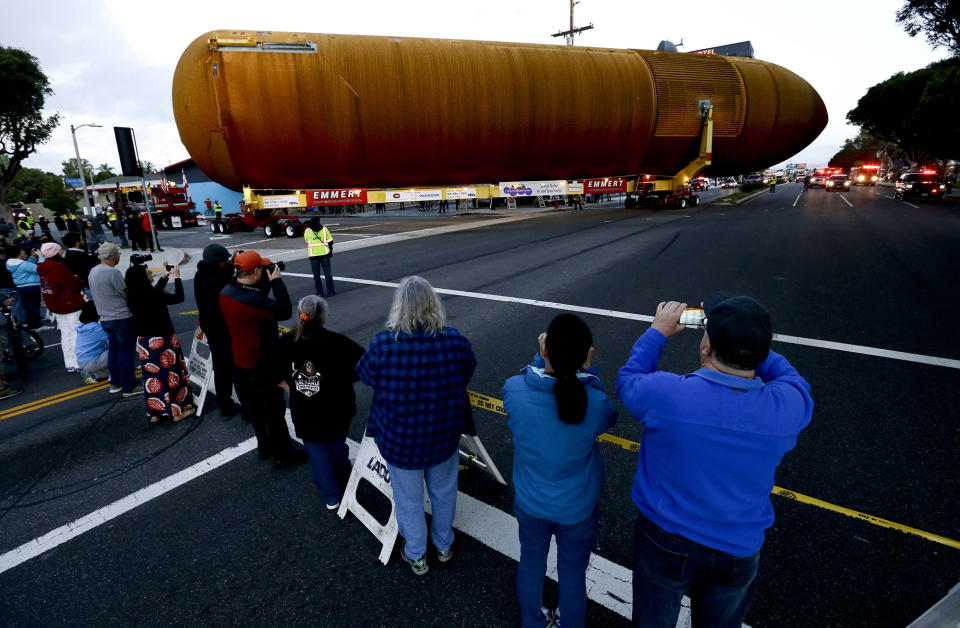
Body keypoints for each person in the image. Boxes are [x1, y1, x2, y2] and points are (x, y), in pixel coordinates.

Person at [616, 295, 814, 627]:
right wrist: (747, 342)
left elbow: (629, 377)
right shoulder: (788, 408)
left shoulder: (666, 395)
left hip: (665, 537)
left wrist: (658, 331)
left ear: (706, 346)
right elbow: (791, 378)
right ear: (763, 352)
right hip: (738, 547)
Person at [356, 276, 477, 576]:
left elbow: (365, 375)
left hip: (401, 440)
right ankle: (444, 544)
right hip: (443, 435)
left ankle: (417, 554)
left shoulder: (384, 343)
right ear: (433, 304)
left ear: (400, 306)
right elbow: (467, 371)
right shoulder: (454, 340)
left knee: (408, 500)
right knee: (444, 491)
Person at [504, 314, 616, 628]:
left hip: (531, 503)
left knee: (531, 563)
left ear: (545, 350)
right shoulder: (595, 402)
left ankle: (532, 621)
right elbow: (608, 415)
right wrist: (588, 372)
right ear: (587, 355)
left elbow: (530, 378)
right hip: (577, 508)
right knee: (572, 573)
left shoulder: (514, 391)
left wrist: (540, 357)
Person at [261, 295, 365, 509]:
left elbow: (264, 368)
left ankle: (330, 497)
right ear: (322, 318)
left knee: (317, 454)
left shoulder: (285, 342)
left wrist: (286, 385)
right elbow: (364, 363)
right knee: (337, 445)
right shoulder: (336, 342)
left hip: (304, 409)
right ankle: (344, 474)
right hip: (337, 407)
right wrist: (344, 379)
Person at [219, 250, 306, 468]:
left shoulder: (227, 291)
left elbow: (252, 293)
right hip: (261, 364)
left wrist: (264, 277)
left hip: (240, 361)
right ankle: (284, 456)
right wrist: (276, 282)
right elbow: (284, 310)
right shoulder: (253, 301)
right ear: (256, 270)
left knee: (256, 411)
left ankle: (265, 448)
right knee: (274, 412)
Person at [125, 262, 195, 423]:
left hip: (145, 341)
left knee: (152, 377)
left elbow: (153, 293)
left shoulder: (131, 293)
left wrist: (164, 277)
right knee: (172, 374)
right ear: (143, 279)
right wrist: (177, 278)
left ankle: (156, 412)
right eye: (148, 273)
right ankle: (178, 412)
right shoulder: (153, 295)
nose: (151, 274)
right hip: (163, 339)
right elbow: (178, 297)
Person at [88, 242, 142, 397]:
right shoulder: (113, 272)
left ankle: (116, 383)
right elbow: (126, 292)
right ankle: (129, 386)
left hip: (105, 318)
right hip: (121, 317)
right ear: (114, 256)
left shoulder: (93, 271)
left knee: (114, 352)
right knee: (126, 353)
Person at [194, 244, 239, 418]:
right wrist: (233, 264)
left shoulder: (201, 275)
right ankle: (237, 406)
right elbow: (227, 279)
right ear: (216, 262)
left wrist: (231, 262)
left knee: (221, 368)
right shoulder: (217, 280)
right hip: (222, 327)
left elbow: (223, 273)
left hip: (210, 327)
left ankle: (225, 405)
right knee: (232, 368)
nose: (226, 262)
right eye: (224, 260)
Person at [36, 243, 85, 373]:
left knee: (65, 333)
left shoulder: (43, 268)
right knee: (76, 332)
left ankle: (70, 362)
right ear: (56, 253)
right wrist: (79, 282)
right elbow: (74, 284)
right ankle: (78, 362)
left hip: (55, 304)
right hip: (69, 304)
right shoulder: (59, 268)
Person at [5, 244, 44, 329]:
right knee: (34, 307)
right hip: (32, 286)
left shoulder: (10, 263)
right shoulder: (22, 264)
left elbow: (29, 266)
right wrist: (40, 257)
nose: (23, 252)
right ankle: (36, 326)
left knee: (29, 306)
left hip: (21, 287)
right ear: (18, 253)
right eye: (21, 251)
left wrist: (32, 257)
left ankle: (32, 324)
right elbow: (41, 269)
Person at [76, 301, 110, 383]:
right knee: (119, 348)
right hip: (92, 362)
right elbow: (114, 339)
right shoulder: (96, 328)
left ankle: (95, 374)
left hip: (82, 361)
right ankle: (117, 375)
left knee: (105, 351)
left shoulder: (82, 326)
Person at [304, 217, 335, 297]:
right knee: (327, 273)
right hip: (324, 254)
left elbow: (307, 241)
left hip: (313, 255)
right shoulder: (324, 229)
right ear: (318, 221)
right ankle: (330, 291)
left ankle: (319, 292)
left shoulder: (307, 231)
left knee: (316, 275)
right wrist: (330, 250)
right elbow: (330, 241)